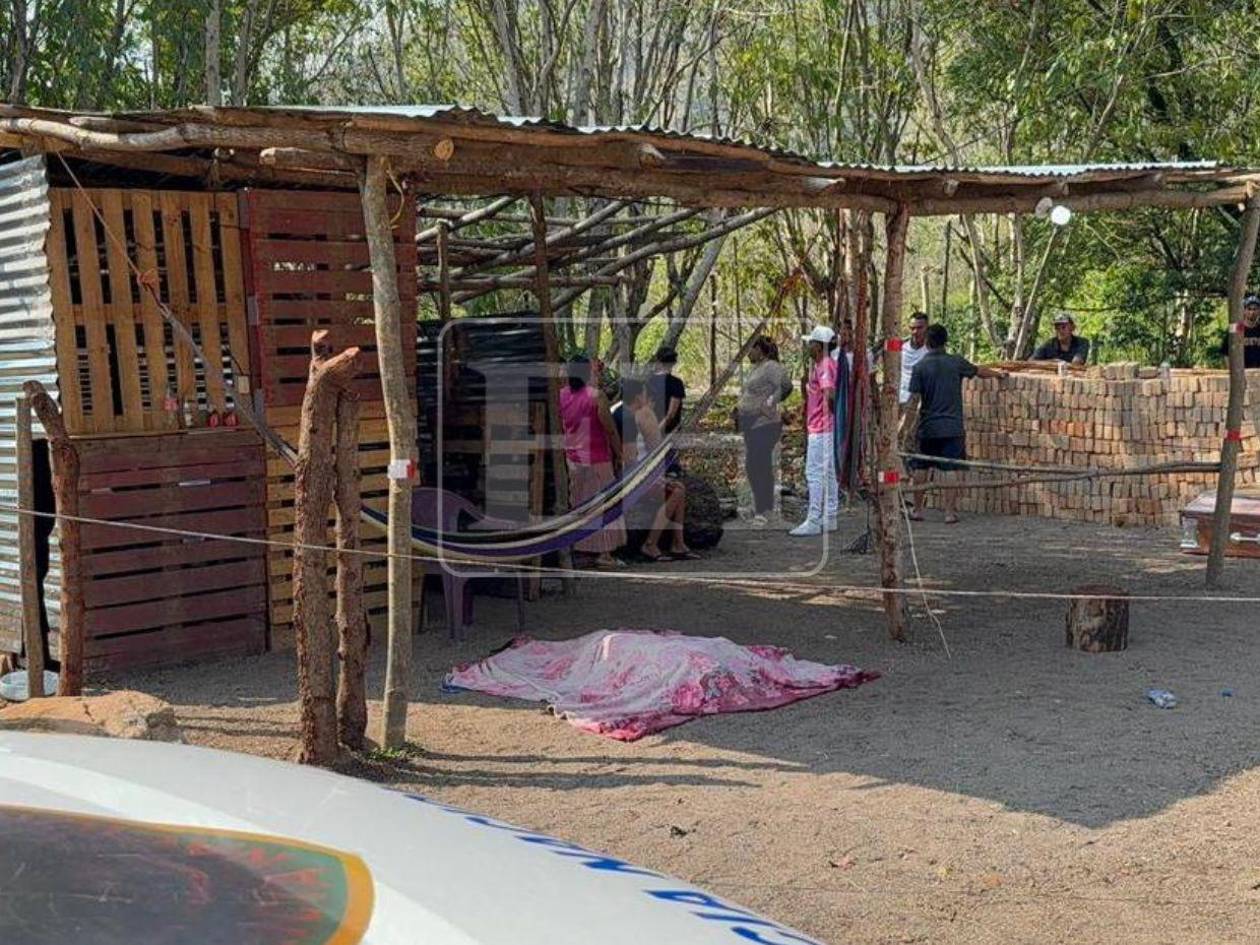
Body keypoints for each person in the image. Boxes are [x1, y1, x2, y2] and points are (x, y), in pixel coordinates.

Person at [903, 324, 1007, 524]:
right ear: (945, 341)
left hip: (928, 427)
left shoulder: (920, 367)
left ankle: (917, 510)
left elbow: (913, 401)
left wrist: (905, 427)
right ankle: (949, 513)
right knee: (950, 468)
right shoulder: (955, 362)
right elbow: (979, 371)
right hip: (952, 427)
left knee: (921, 467)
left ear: (927, 342)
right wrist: (999, 374)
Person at [613, 379, 697, 561]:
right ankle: (651, 544)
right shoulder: (627, 418)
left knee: (678, 488)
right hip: (628, 480)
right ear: (638, 397)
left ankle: (678, 543)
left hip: (627, 475)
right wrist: (650, 479)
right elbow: (629, 460)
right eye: (644, 394)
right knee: (676, 491)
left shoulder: (619, 411)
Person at [558, 355, 625, 568]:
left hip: (573, 460)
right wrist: (619, 454)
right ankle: (605, 554)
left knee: (580, 504)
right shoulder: (597, 396)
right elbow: (609, 429)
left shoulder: (560, 395)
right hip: (598, 459)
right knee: (605, 504)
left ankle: (582, 550)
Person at [790, 325, 840, 537]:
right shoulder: (825, 364)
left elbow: (830, 393)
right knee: (828, 472)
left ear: (819, 346)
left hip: (821, 427)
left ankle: (814, 518)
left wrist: (829, 416)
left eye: (811, 343)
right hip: (825, 427)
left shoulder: (825, 366)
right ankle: (830, 515)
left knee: (814, 473)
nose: (808, 347)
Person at [738, 337, 789, 527]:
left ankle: (764, 509)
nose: (748, 353)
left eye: (751, 348)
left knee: (758, 464)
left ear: (760, 350)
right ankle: (761, 506)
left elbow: (786, 386)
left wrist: (769, 403)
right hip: (751, 422)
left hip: (765, 423)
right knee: (755, 465)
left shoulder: (771, 367)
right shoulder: (757, 368)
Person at [647, 345, 686, 434]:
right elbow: (671, 414)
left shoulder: (648, 381)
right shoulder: (676, 383)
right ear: (674, 363)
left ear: (658, 362)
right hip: (670, 432)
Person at [1220, 293, 1260, 369]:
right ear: (1244, 310)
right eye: (1249, 309)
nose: (1252, 312)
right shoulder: (1236, 328)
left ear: (1259, 311)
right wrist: (1231, 370)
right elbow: (1225, 352)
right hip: (1241, 372)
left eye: (1255, 309)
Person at [898, 311, 931, 405]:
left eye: (920, 328)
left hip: (921, 401)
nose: (915, 332)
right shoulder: (901, 348)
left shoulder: (931, 351)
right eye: (912, 328)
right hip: (900, 398)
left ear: (927, 328)